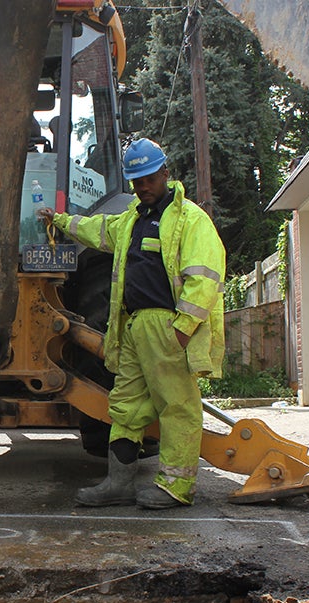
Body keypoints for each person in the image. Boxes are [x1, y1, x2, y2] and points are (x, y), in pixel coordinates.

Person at [37, 138, 225, 509]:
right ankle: (118, 483)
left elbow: (204, 278)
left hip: (167, 326)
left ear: (165, 174)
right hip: (134, 326)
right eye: (136, 182)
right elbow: (96, 230)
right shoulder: (131, 220)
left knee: (177, 405)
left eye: (149, 179)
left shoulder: (190, 219)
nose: (143, 188)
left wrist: (182, 328)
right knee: (125, 405)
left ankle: (176, 486)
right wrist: (58, 220)